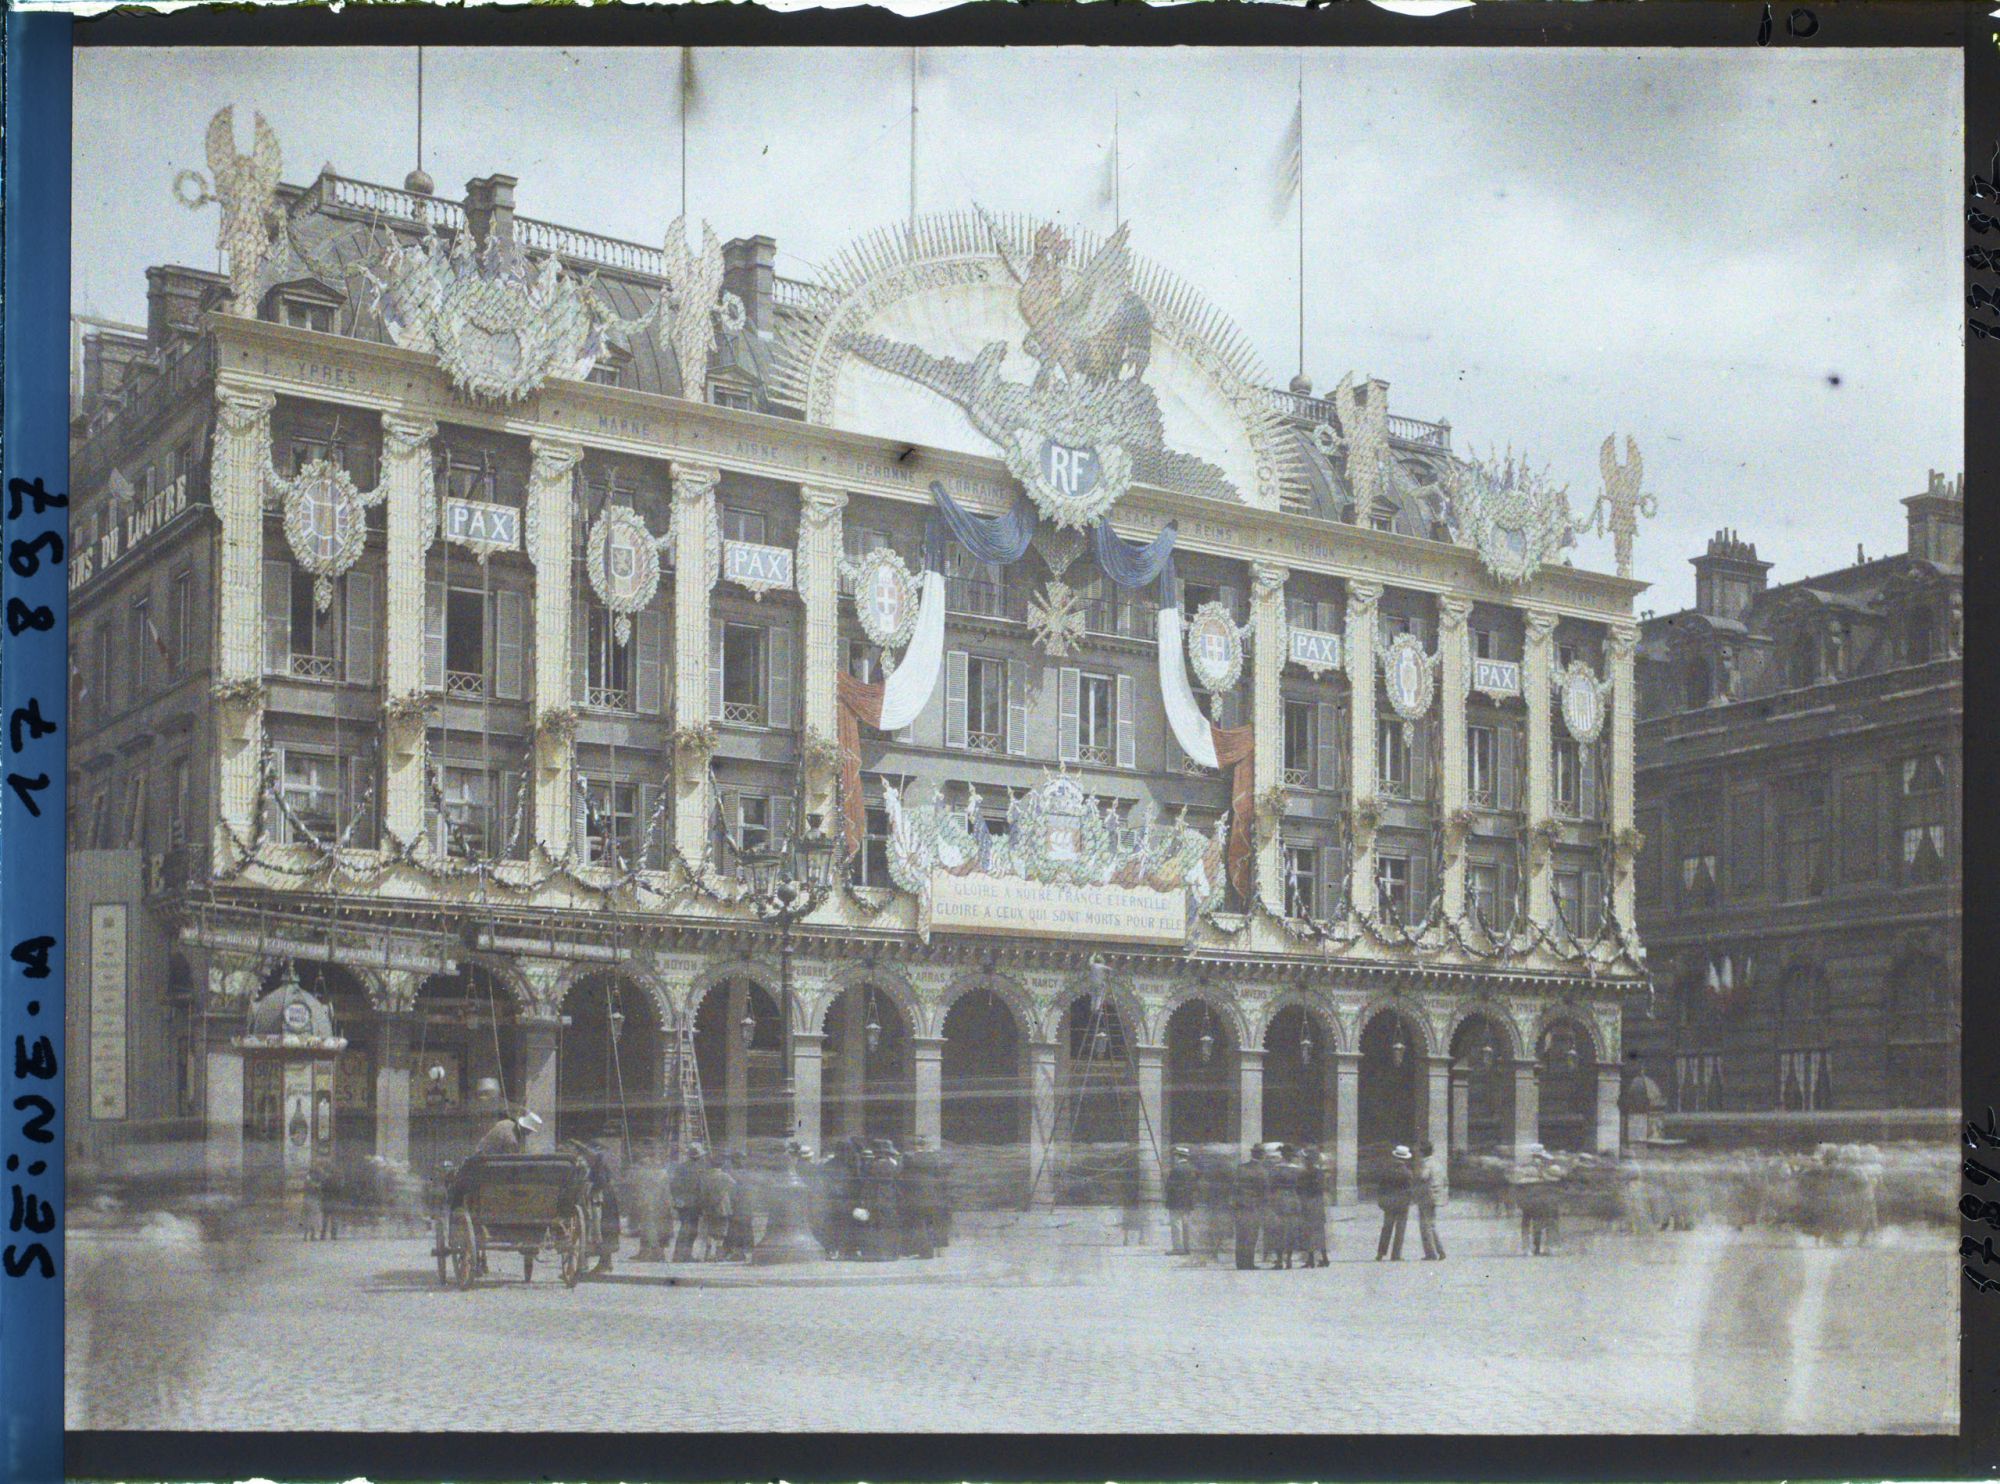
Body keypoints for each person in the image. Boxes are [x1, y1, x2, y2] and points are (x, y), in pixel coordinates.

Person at [1233, 1144, 1269, 1270]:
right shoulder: (1263, 1171)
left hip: (1240, 1205)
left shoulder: (1241, 1168)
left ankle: (1240, 1263)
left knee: (1241, 1235)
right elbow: (1264, 1192)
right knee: (1251, 1235)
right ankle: (1248, 1263)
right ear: (1262, 1156)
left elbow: (1235, 1187)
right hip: (1254, 1206)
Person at [1375, 1144, 1414, 1261]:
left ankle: (1380, 1253)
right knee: (1400, 1229)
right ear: (1406, 1158)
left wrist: (1381, 1200)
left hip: (1389, 1202)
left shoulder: (1387, 1170)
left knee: (1386, 1228)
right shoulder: (1407, 1172)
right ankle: (1396, 1254)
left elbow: (1381, 1187)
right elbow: (1410, 1190)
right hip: (1402, 1203)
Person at [668, 1145, 704, 1262]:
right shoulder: (700, 1169)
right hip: (694, 1203)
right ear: (698, 1157)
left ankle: (679, 1255)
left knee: (685, 1228)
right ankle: (685, 1255)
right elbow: (701, 1187)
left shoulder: (680, 1168)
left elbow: (673, 1185)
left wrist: (677, 1199)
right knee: (691, 1230)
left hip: (682, 1203)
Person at [697, 1148, 734, 1261]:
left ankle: (707, 1253)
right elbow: (733, 1185)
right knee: (721, 1231)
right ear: (721, 1165)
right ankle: (718, 1254)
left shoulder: (705, 1176)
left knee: (709, 1229)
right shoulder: (725, 1176)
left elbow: (701, 1191)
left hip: (708, 1207)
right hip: (722, 1207)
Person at [1266, 1144, 1300, 1269]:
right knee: (1291, 1229)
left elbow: (1270, 1186)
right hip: (1293, 1199)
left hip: (1279, 1200)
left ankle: (1279, 1260)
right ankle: (1289, 1259)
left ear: (1282, 1156)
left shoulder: (1275, 1169)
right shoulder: (1298, 1170)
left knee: (1278, 1230)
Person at [1413, 1141, 1446, 1261]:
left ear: (1422, 1152)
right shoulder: (1438, 1163)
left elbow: (1423, 1177)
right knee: (1431, 1225)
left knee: (1425, 1226)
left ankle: (1431, 1253)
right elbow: (1444, 1179)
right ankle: (1440, 1250)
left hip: (1426, 1196)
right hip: (1435, 1196)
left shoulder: (1426, 1164)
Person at [1298, 1146, 1329, 1267]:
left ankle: (1311, 1259)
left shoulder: (1304, 1173)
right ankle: (1324, 1258)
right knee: (1319, 1231)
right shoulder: (1320, 1173)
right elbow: (1322, 1187)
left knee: (1308, 1231)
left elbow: (1301, 1188)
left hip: (1308, 1202)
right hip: (1318, 1202)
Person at [723, 1152, 757, 1261]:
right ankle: (744, 1250)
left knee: (734, 1228)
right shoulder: (748, 1174)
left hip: (737, 1204)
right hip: (745, 1204)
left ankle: (735, 1251)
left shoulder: (729, 1173)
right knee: (744, 1227)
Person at [1164, 1147, 1196, 1256]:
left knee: (1176, 1224)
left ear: (1178, 1156)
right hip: (1188, 1201)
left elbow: (1169, 1186)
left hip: (1176, 1201)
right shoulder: (1192, 1169)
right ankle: (1188, 1247)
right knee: (1186, 1224)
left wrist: (1166, 1181)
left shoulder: (1176, 1169)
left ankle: (1178, 1248)